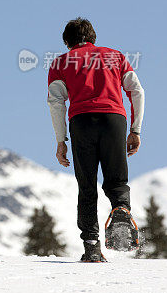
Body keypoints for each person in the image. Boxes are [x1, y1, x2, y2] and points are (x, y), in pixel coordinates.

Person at [47, 18, 145, 262]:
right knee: (116, 179)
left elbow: (56, 102)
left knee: (87, 184)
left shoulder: (61, 62)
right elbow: (137, 91)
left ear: (67, 42)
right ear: (93, 38)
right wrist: (136, 129)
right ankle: (121, 207)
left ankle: (91, 246)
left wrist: (61, 140)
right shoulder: (115, 56)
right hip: (114, 119)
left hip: (81, 122)